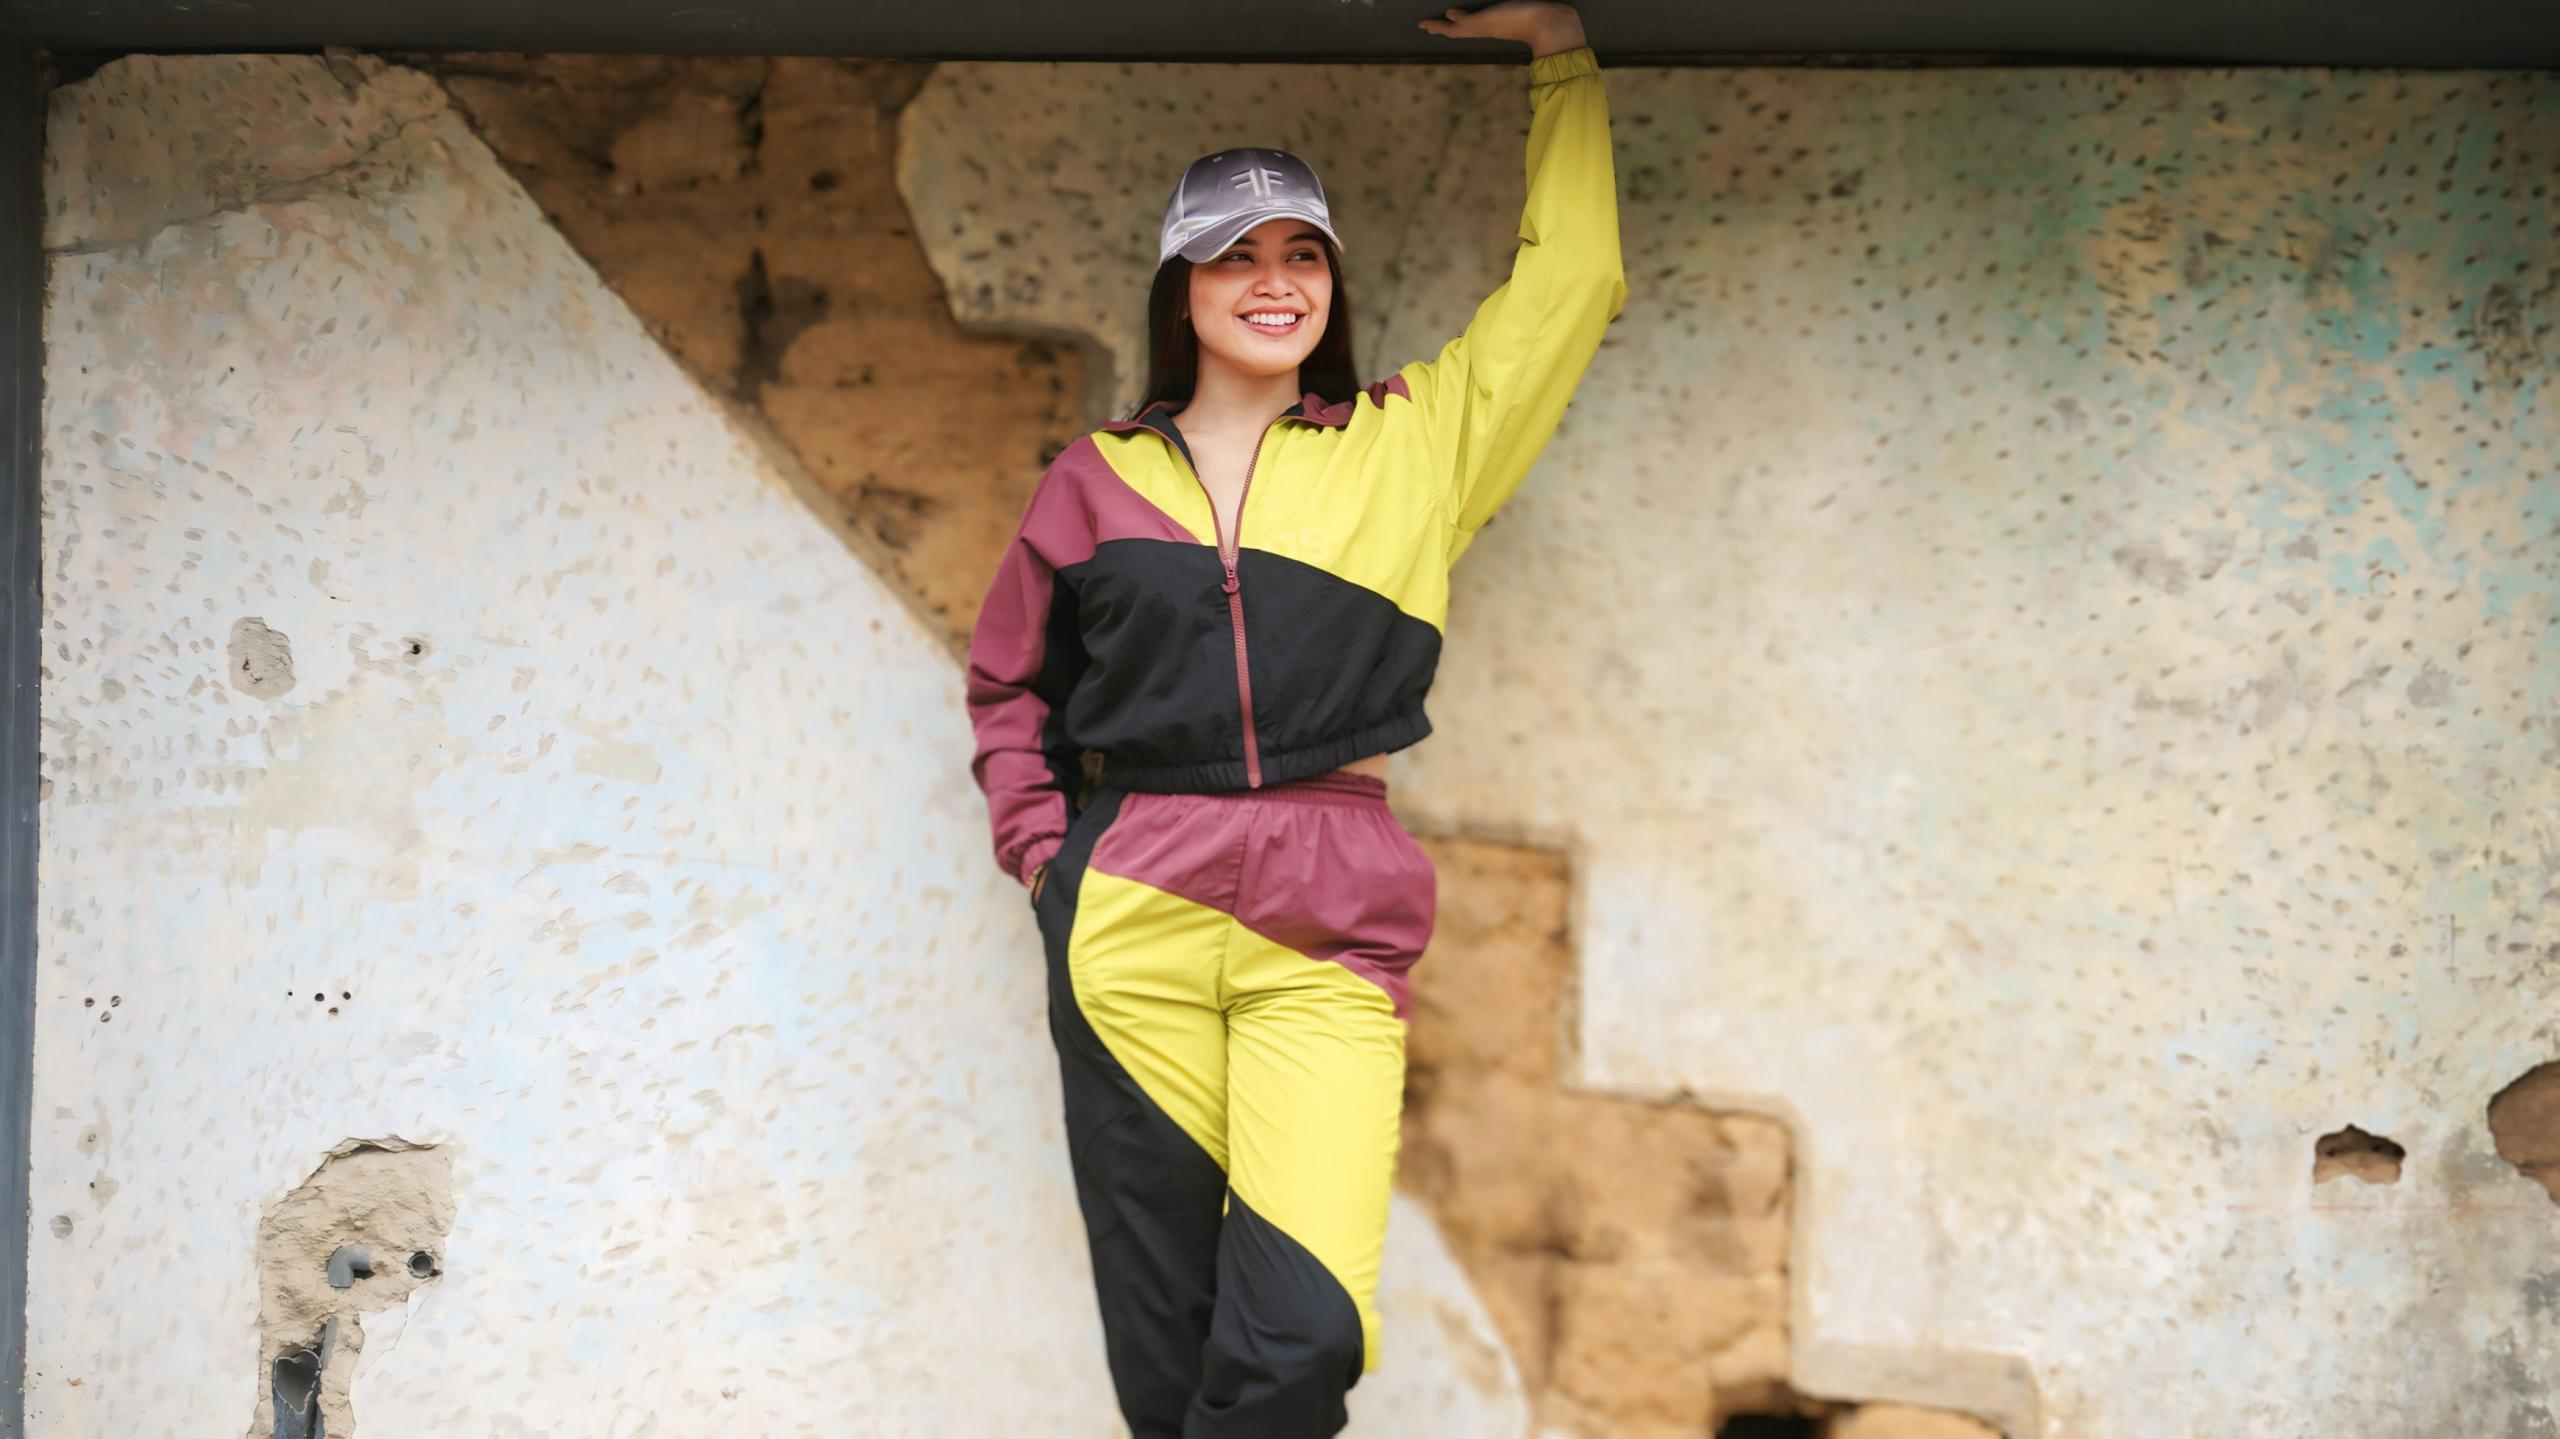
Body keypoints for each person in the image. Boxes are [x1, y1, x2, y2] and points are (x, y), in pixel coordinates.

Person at [963, 3, 1623, 1432]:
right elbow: (1010, 685)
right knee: (1165, 1351)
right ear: (1181, 288)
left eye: (1301, 253)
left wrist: (1558, 51)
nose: (1274, 281)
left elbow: (1575, 279)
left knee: (1302, 1338)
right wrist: (1044, 857)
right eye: (1235, 255)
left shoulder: (1414, 445)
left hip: (1328, 907)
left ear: (1332, 280)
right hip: (1131, 905)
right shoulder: (1094, 479)